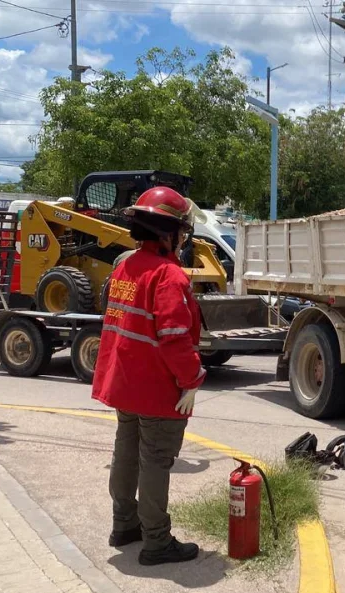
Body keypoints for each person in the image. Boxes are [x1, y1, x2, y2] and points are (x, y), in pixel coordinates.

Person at [92, 186, 206, 566]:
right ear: (168, 233)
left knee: (125, 453)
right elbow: (174, 339)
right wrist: (192, 380)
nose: (184, 240)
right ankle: (157, 541)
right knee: (155, 460)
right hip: (157, 388)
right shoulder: (169, 276)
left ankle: (124, 524)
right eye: (182, 233)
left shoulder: (126, 266)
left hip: (124, 383)